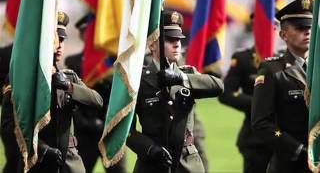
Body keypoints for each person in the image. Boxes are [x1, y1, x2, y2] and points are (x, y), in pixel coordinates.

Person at [126, 10, 224, 173]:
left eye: (178, 39)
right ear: (152, 44)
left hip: (187, 162)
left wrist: (181, 78)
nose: (177, 44)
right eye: (170, 39)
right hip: (152, 163)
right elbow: (125, 129)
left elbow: (218, 86)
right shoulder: (137, 80)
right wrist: (149, 149)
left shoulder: (187, 74)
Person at [28, 11, 103, 173]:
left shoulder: (69, 76)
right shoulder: (28, 81)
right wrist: (43, 150)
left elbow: (97, 100)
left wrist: (68, 86)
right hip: (39, 160)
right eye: (56, 40)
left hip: (69, 160)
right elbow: (12, 125)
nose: (60, 45)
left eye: (62, 40)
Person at [251, 0, 313, 173]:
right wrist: (297, 149)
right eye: (300, 28)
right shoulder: (272, 70)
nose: (307, 32)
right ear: (283, 34)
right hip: (290, 163)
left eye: (310, 27)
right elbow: (261, 123)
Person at [65, 14, 127, 173]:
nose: (91, 35)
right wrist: (86, 122)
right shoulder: (73, 62)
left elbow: (119, 96)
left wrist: (107, 122)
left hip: (111, 130)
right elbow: (71, 98)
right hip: (85, 133)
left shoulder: (113, 61)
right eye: (87, 32)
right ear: (81, 35)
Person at [218, 14, 272, 173]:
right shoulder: (243, 59)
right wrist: (256, 103)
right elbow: (225, 93)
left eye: (271, 26)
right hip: (256, 139)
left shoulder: (290, 59)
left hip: (288, 138)